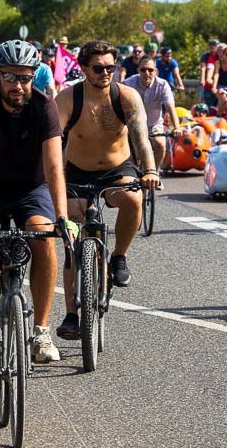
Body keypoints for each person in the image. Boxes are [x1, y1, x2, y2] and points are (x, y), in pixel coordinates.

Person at [0, 40, 70, 404]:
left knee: (43, 238)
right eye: (10, 77)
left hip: (30, 191)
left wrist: (64, 217)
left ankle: (39, 330)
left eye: (25, 78)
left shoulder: (44, 105)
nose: (17, 86)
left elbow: (54, 166)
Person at [55, 40, 159, 338]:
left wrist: (149, 170)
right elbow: (52, 141)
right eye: (99, 68)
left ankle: (119, 256)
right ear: (84, 68)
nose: (105, 73)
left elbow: (141, 137)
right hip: (76, 172)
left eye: (111, 68)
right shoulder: (67, 99)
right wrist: (49, 179)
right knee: (74, 245)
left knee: (133, 199)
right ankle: (72, 315)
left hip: (117, 169)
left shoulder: (126, 96)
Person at [124, 55, 182, 172]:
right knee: (132, 153)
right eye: (143, 70)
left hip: (154, 125)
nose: (147, 73)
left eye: (150, 70)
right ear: (138, 70)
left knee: (160, 144)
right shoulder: (127, 84)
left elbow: (170, 107)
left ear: (156, 71)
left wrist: (176, 127)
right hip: (133, 125)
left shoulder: (163, 85)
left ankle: (153, 172)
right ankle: (134, 173)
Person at [199, 39, 221, 109]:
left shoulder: (221, 56)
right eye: (211, 47)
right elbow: (203, 68)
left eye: (215, 47)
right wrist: (203, 79)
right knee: (207, 105)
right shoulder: (206, 56)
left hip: (219, 84)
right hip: (208, 83)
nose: (213, 50)